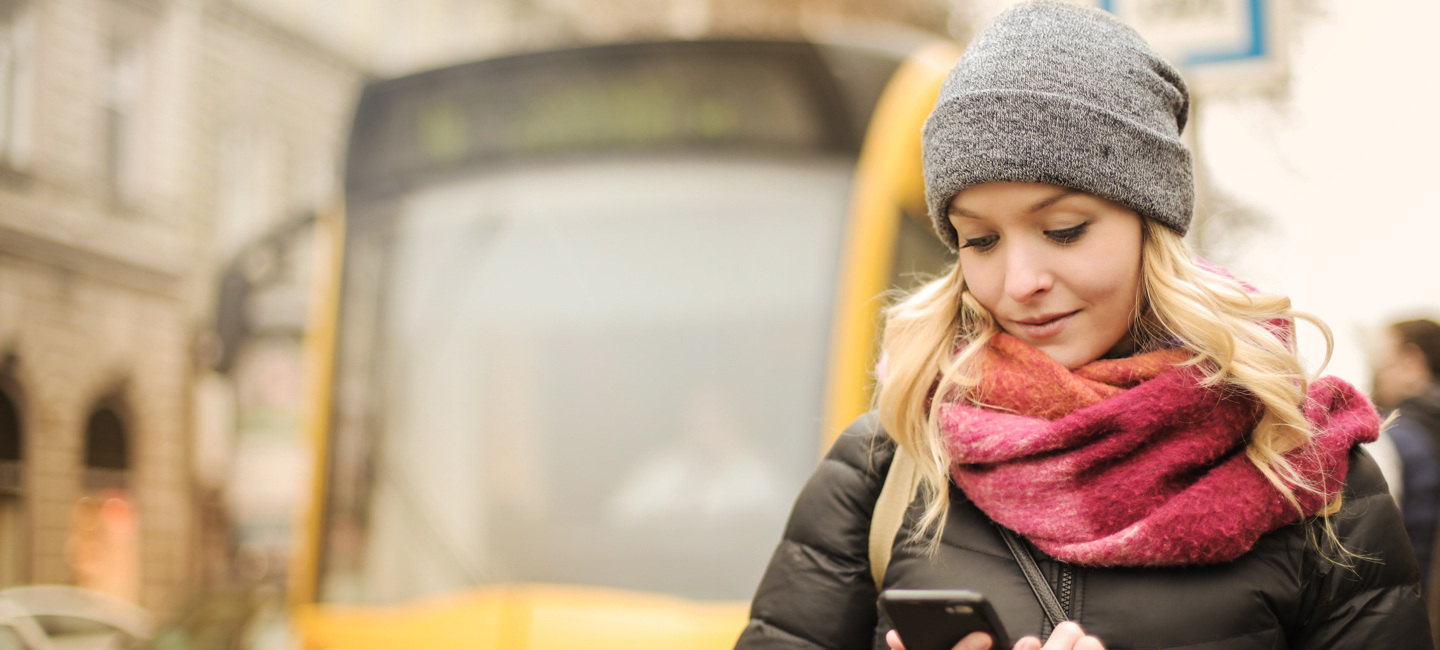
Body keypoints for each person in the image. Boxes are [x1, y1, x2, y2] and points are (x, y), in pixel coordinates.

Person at [734, 2, 1430, 649]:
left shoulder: (1306, 470)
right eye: (980, 240)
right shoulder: (888, 462)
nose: (1019, 282)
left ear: (1150, 225)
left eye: (1063, 229)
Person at [1372, 319, 1440, 588]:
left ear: (1412, 362)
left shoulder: (1392, 436)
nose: (1378, 375)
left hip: (1408, 595)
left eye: (1383, 362)